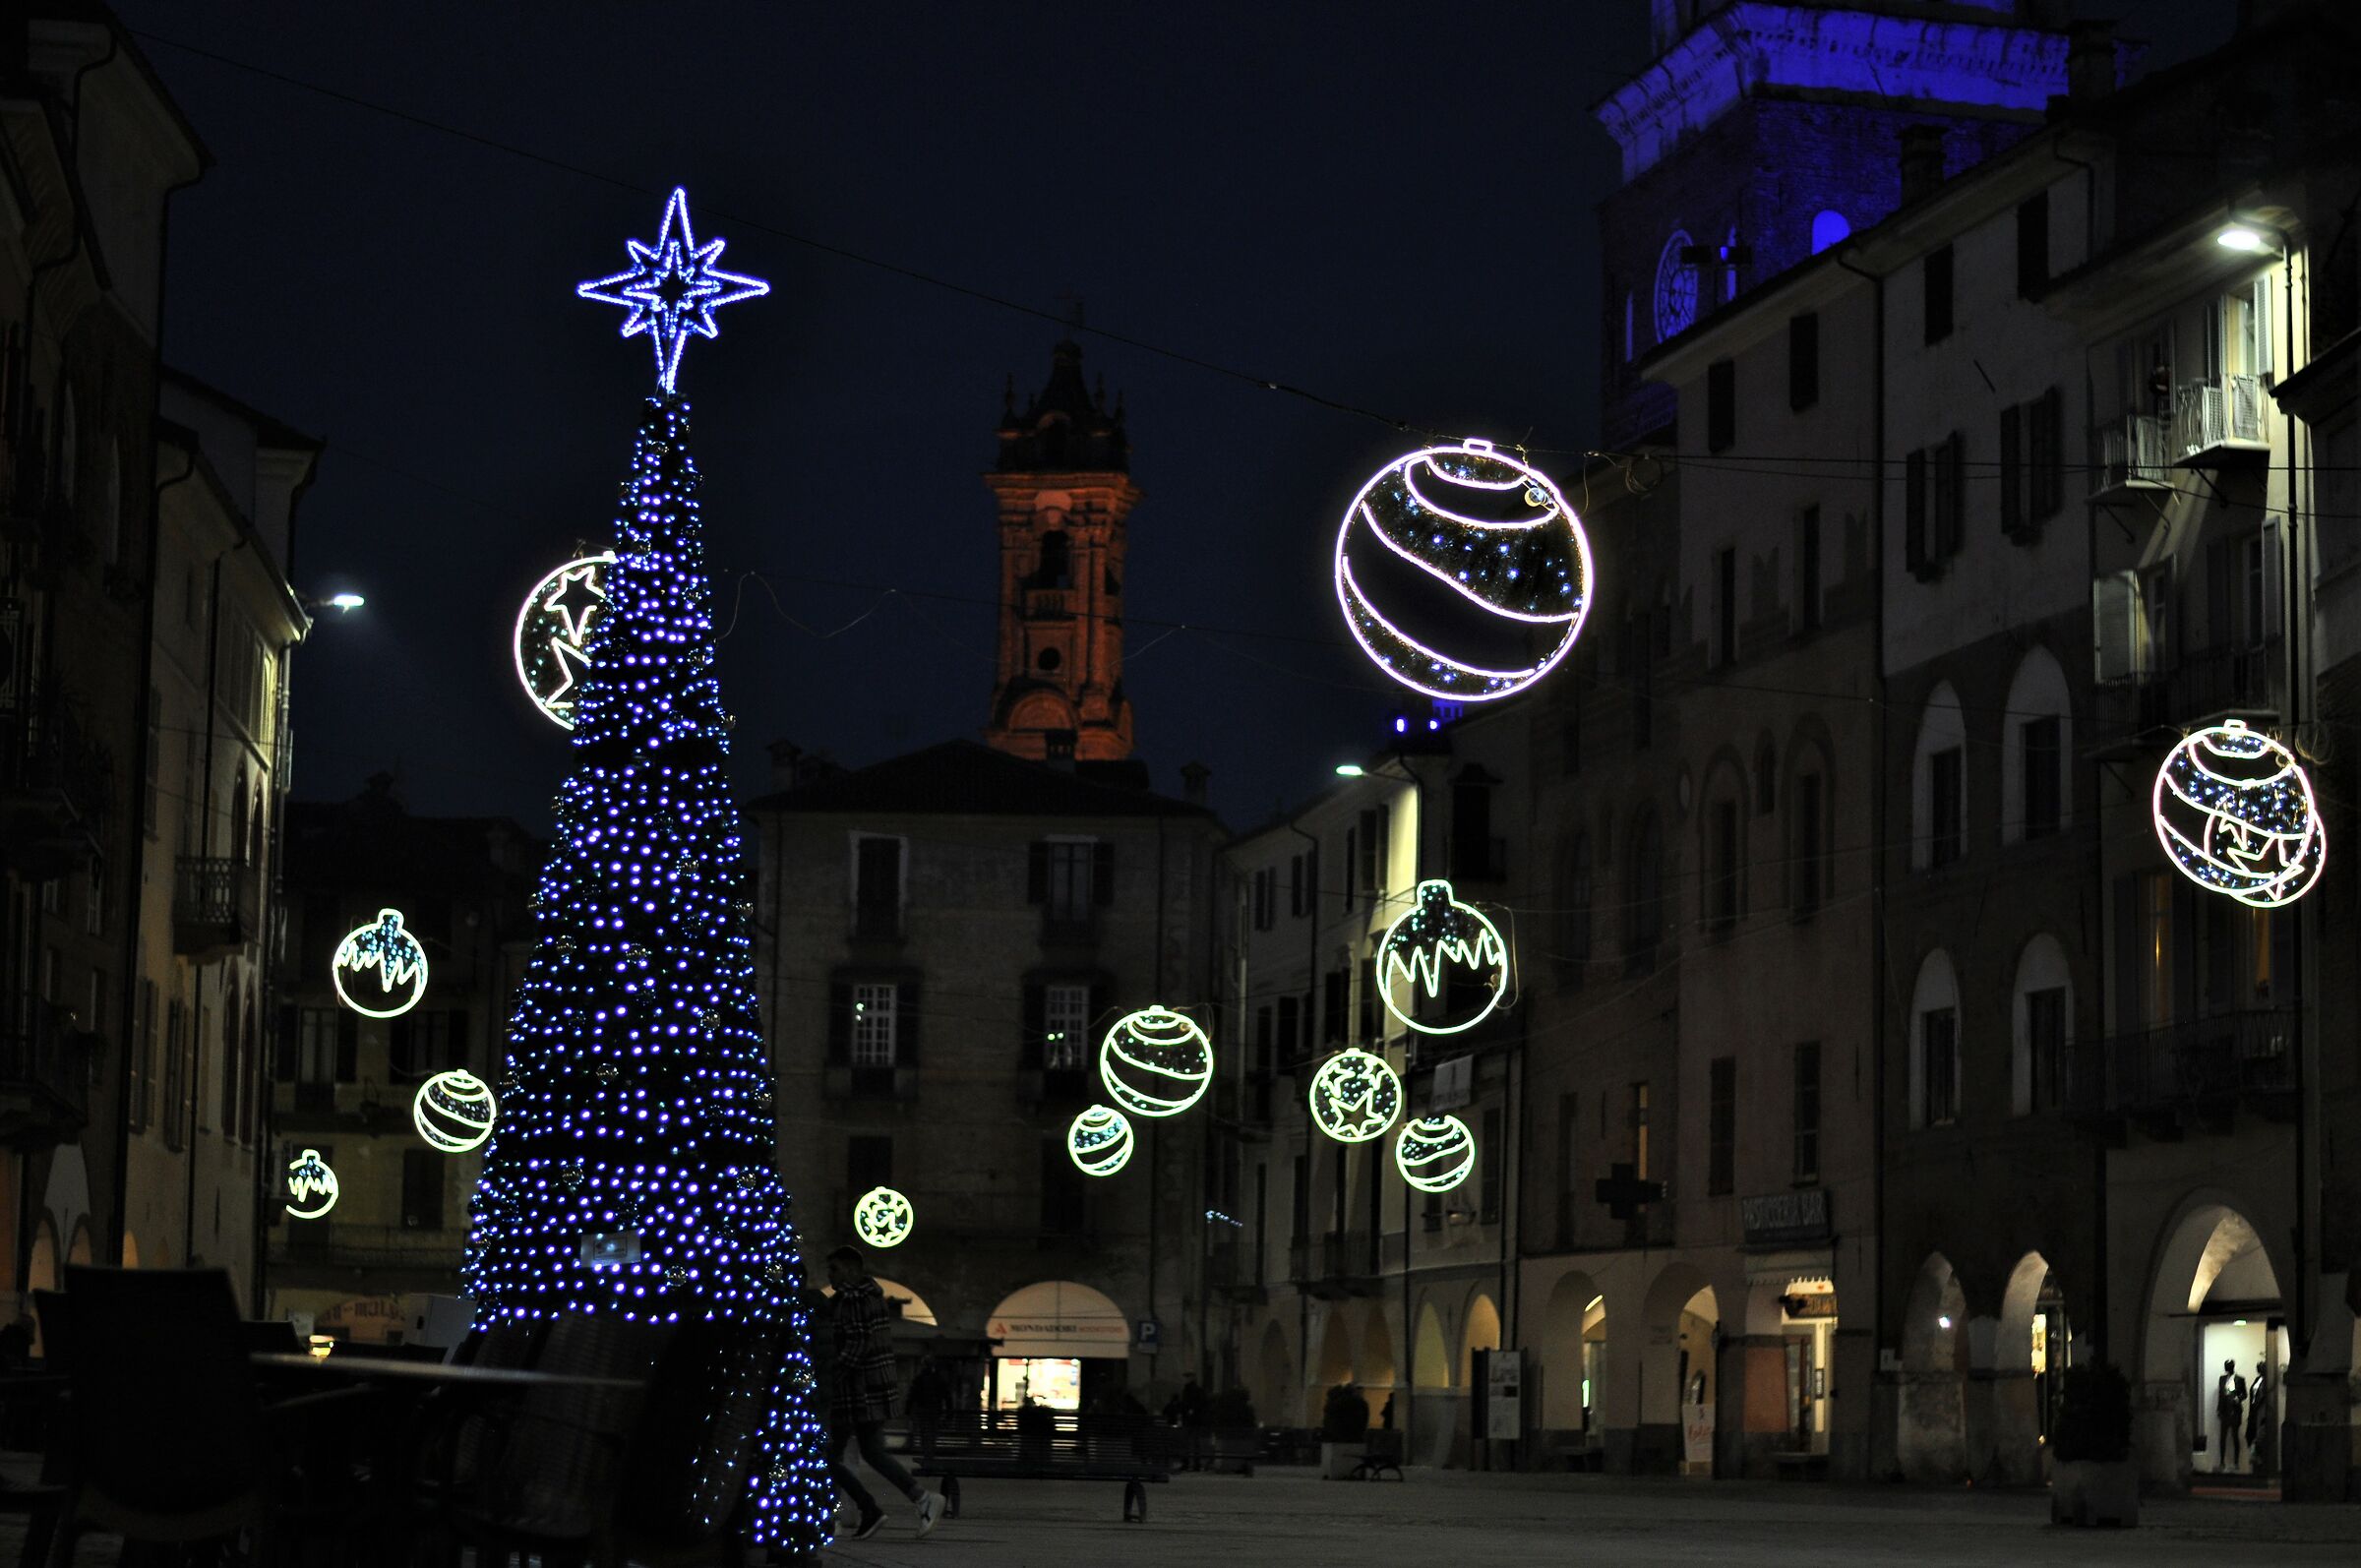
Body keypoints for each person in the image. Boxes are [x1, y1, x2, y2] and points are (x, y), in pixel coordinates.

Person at [825, 1245, 943, 1540]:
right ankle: (921, 1498)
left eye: (836, 1270)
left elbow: (856, 1344)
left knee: (828, 1455)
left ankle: (847, 1512)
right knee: (871, 1450)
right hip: (873, 1387)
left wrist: (829, 1375)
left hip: (855, 1390)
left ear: (852, 1270)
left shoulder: (853, 1298)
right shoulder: (872, 1296)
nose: (832, 1276)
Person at [906, 1354, 950, 1457]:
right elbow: (947, 1397)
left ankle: (926, 1453)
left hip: (923, 1410)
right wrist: (948, 1412)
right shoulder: (939, 1379)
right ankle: (930, 1453)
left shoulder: (919, 1379)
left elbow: (912, 1395)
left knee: (924, 1433)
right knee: (932, 1433)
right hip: (935, 1410)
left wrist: (908, 1410)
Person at [2214, 1357, 2247, 1472]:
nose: (2226, 1368)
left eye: (2228, 1365)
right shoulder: (2222, 1379)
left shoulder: (2240, 1379)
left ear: (2233, 1366)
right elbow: (2220, 1394)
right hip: (2225, 1411)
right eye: (2226, 1365)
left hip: (2235, 1411)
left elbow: (2245, 1394)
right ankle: (2222, 1461)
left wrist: (2238, 1398)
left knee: (2234, 1436)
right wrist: (2219, 1409)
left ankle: (2236, 1462)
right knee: (2222, 1437)